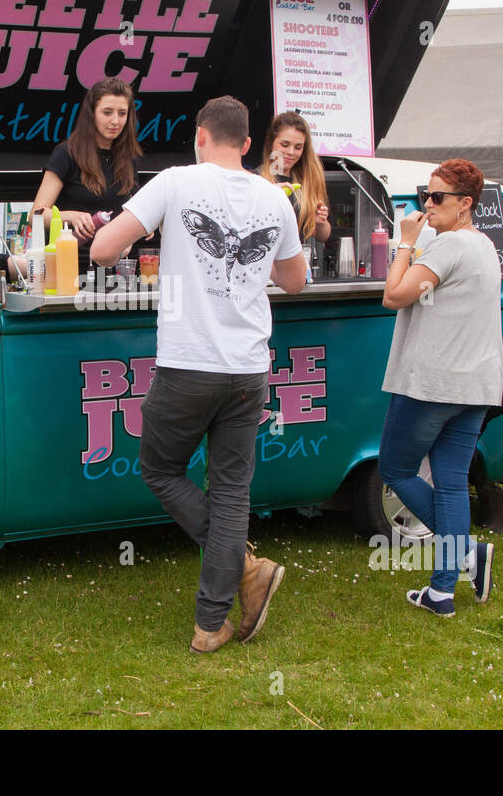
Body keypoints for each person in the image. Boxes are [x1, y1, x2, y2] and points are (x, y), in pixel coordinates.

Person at [90, 96, 306, 653]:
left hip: (189, 362)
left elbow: (104, 249)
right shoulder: (275, 197)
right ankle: (212, 622)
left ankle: (246, 573)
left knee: (160, 468)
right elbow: (296, 281)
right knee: (232, 493)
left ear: (200, 136)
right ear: (250, 144)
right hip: (248, 366)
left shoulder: (176, 182)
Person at [379, 158, 503, 617]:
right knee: (451, 483)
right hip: (475, 386)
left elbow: (394, 295)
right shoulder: (483, 246)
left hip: (432, 384)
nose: (427, 206)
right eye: (424, 197)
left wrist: (404, 244)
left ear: (465, 204)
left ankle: (466, 553)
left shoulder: (448, 247)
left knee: (396, 469)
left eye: (437, 198)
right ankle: (442, 591)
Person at [34, 77, 142, 270]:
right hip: (68, 267)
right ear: (91, 114)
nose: (115, 121)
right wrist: (73, 217)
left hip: (115, 268)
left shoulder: (129, 158)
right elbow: (36, 214)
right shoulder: (66, 154)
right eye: (107, 112)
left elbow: (135, 212)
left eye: (122, 113)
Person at [258, 111, 331, 244]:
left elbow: (323, 236)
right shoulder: (256, 179)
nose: (291, 152)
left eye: (298, 147)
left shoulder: (308, 180)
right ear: (270, 143)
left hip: (297, 260)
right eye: (284, 145)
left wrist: (321, 222)